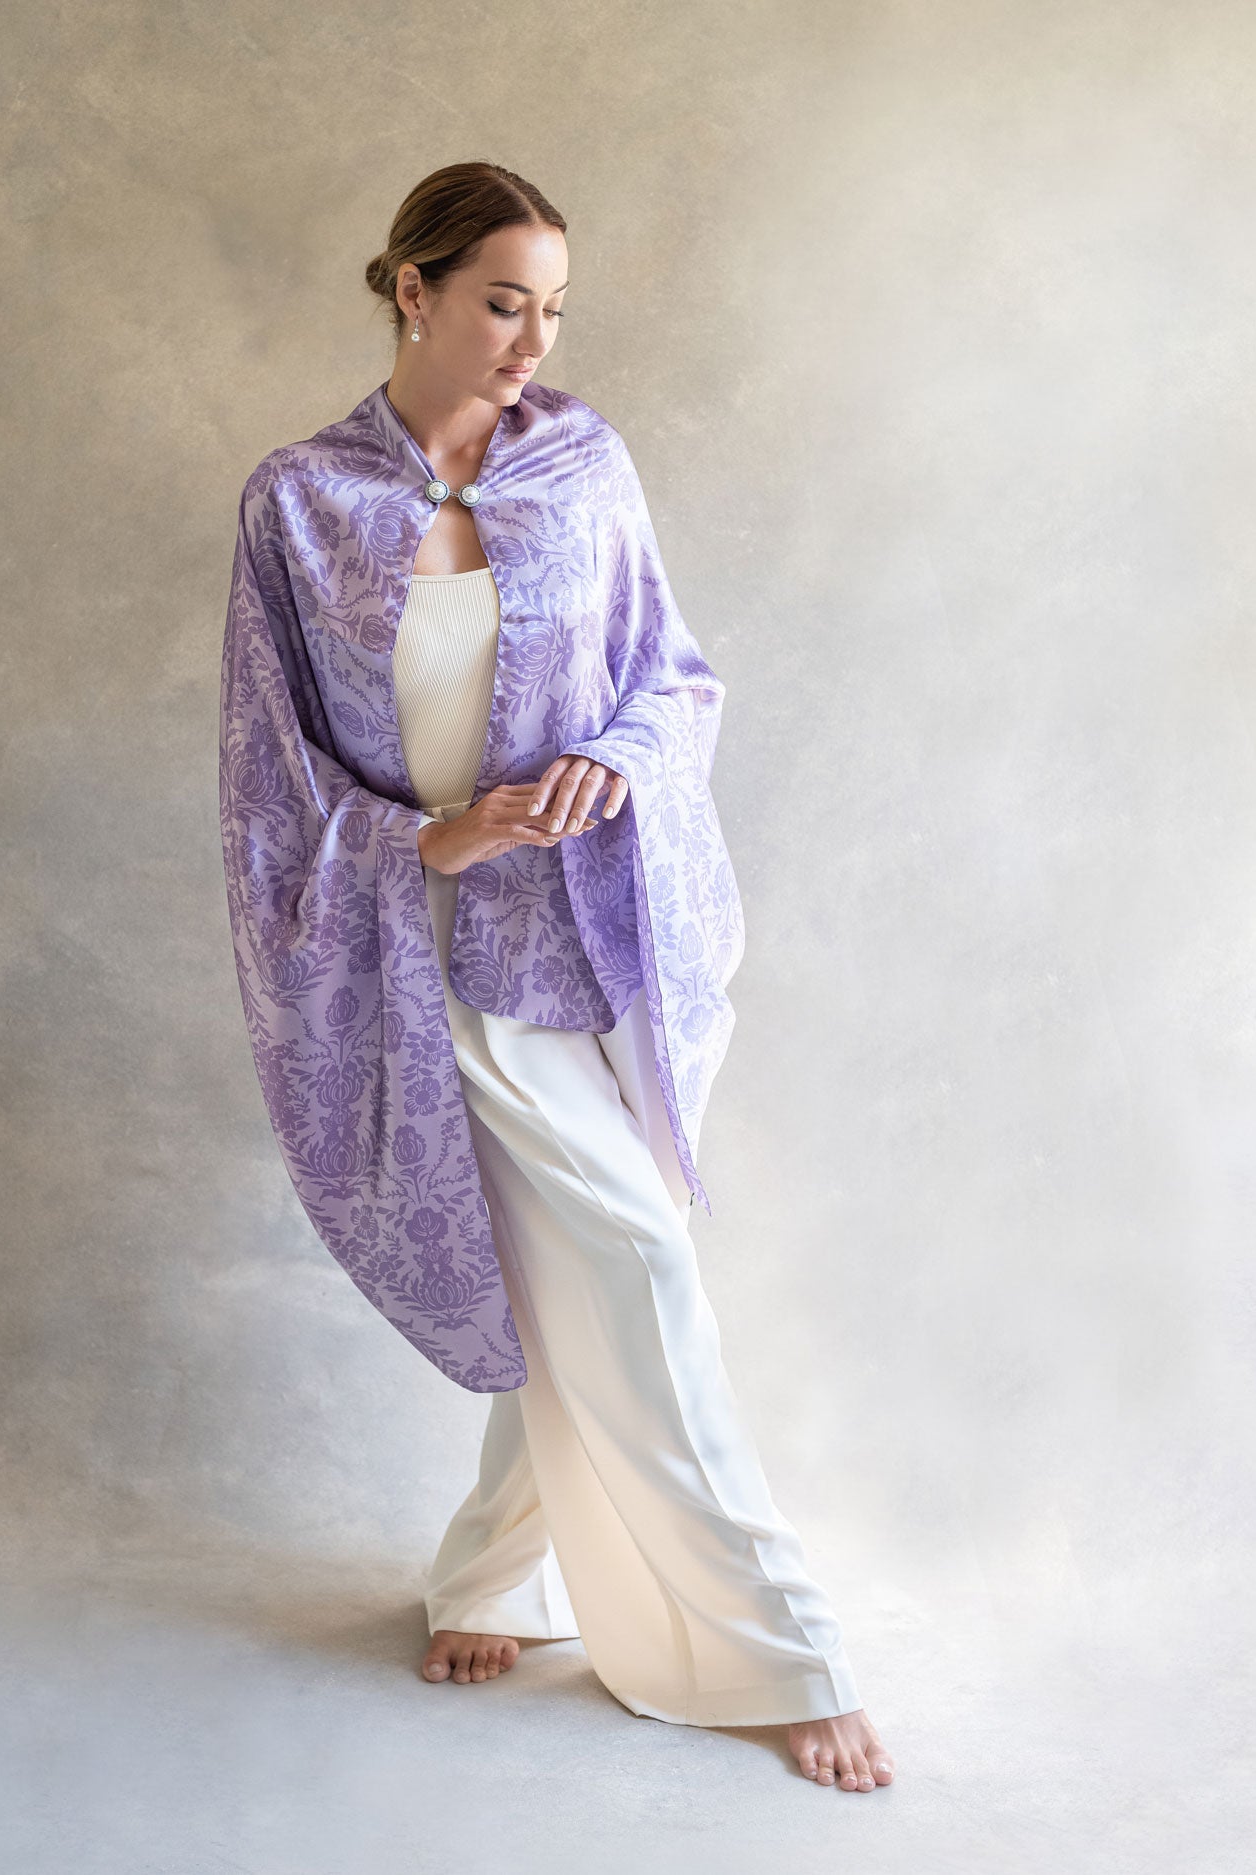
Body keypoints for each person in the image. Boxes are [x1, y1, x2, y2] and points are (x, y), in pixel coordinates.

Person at [224, 162, 895, 1793]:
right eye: (502, 301)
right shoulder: (300, 505)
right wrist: (416, 850)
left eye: (552, 308)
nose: (531, 339)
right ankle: (779, 1647)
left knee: (586, 1271)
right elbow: (265, 774)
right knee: (639, 1271)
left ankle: (484, 1580)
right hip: (417, 961)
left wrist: (608, 755)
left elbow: (677, 676)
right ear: (413, 289)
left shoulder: (584, 468)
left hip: (593, 936)